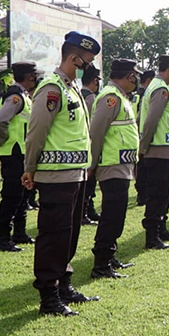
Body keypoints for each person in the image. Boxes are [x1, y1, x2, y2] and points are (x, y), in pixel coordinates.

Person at [22, 31, 102, 316]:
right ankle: (49, 297)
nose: (89, 66)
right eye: (88, 61)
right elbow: (36, 132)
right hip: (56, 175)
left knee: (69, 234)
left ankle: (64, 284)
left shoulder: (72, 88)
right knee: (53, 236)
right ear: (74, 58)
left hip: (75, 174)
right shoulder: (52, 87)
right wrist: (29, 168)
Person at [86, 59, 141, 279]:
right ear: (129, 76)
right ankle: (101, 264)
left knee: (117, 214)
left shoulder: (120, 97)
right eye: (134, 76)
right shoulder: (111, 98)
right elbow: (96, 132)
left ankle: (110, 257)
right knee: (112, 215)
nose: (136, 80)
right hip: (111, 164)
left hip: (121, 164)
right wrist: (92, 164)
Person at [138, 54, 169, 250]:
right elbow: (151, 121)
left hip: (163, 150)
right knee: (157, 195)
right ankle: (152, 236)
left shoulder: (160, 87)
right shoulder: (160, 89)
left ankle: (161, 229)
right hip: (157, 151)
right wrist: (143, 147)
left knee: (164, 194)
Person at [0, 61, 40, 252]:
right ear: (29, 77)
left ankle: (19, 233)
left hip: (21, 153)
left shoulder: (24, 97)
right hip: (14, 153)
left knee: (23, 194)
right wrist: (2, 141)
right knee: (12, 196)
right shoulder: (15, 98)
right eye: (35, 76)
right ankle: (3, 238)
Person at [79, 64, 102, 226]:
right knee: (89, 180)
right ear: (95, 80)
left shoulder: (79, 94)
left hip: (81, 142)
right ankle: (84, 213)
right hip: (89, 143)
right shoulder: (91, 97)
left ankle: (89, 210)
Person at [133, 69, 156, 206]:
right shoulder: (146, 95)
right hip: (142, 133)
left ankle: (141, 194)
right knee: (143, 168)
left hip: (137, 132)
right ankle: (143, 195)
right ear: (149, 80)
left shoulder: (137, 95)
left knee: (141, 167)